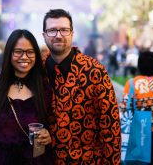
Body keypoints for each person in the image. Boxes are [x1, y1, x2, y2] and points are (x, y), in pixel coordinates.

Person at [42, 9, 121, 164]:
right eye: (52, 30)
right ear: (44, 35)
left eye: (64, 30)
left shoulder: (94, 71)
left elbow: (111, 127)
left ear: (72, 33)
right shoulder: (38, 71)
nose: (58, 35)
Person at [0, 29, 53, 165]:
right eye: (18, 51)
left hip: (33, 159)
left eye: (30, 52)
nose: (24, 57)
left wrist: (48, 134)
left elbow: (50, 125)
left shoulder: (43, 88)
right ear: (9, 54)